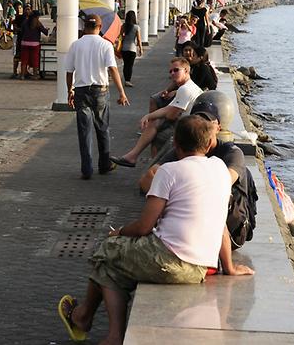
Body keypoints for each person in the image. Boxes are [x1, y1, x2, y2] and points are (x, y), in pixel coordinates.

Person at [57, 115, 232, 345]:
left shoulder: (169, 172)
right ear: (210, 144)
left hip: (167, 259)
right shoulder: (220, 168)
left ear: (176, 144)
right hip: (199, 267)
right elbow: (221, 225)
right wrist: (229, 267)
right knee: (114, 267)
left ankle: (95, 325)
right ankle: (95, 324)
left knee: (106, 250)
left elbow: (143, 227)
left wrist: (118, 232)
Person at [139, 98, 255, 278]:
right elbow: (146, 180)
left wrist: (175, 191)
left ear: (218, 127)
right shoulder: (186, 148)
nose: (202, 126)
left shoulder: (231, 153)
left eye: (208, 122)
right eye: (198, 121)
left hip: (231, 227)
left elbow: (217, 187)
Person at [63, 14, 129, 180]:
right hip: (100, 91)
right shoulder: (105, 45)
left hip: (80, 91)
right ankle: (104, 164)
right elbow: (113, 69)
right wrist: (121, 92)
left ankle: (86, 169)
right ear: (100, 27)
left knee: (84, 131)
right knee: (102, 128)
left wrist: (69, 90)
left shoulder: (75, 45)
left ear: (84, 26)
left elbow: (69, 72)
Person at [111, 57, 201, 167]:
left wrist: (149, 116)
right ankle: (137, 159)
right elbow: (170, 109)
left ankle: (151, 167)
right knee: (155, 121)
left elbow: (171, 115)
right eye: (170, 71)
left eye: (176, 70)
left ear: (186, 71)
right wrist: (149, 116)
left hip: (188, 128)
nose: (172, 73)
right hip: (191, 124)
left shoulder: (185, 89)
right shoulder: (189, 87)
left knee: (157, 132)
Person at [19, 10, 48, 80]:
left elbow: (21, 31)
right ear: (37, 16)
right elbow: (45, 32)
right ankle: (35, 76)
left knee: (24, 60)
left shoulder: (25, 22)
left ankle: (22, 75)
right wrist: (46, 29)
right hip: (35, 44)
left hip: (24, 43)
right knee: (35, 60)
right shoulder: (38, 23)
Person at [118, 11, 142, 87]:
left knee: (125, 64)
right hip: (132, 49)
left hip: (124, 48)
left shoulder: (123, 26)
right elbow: (138, 39)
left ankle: (126, 80)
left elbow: (120, 36)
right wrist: (140, 48)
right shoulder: (136, 27)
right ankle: (128, 80)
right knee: (130, 65)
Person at [10, 1, 25, 78]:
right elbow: (14, 29)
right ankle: (15, 72)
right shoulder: (16, 18)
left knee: (24, 57)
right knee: (16, 56)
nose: (19, 9)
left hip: (25, 39)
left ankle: (24, 72)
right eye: (17, 8)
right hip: (18, 39)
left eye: (20, 8)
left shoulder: (26, 17)